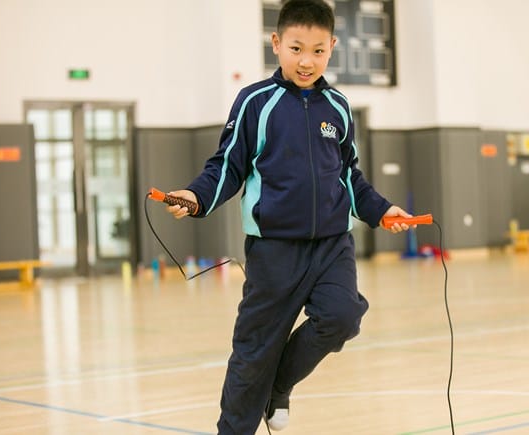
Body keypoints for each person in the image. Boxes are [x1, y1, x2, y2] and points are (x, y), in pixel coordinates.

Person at [164, 1, 412, 433]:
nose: (306, 60)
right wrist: (196, 196)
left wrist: (381, 209)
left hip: (333, 246)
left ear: (332, 47)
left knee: (342, 317)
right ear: (276, 44)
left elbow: (350, 175)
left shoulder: (338, 106)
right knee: (253, 351)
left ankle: (278, 386)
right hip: (274, 251)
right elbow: (227, 164)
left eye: (318, 50)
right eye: (296, 48)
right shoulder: (255, 102)